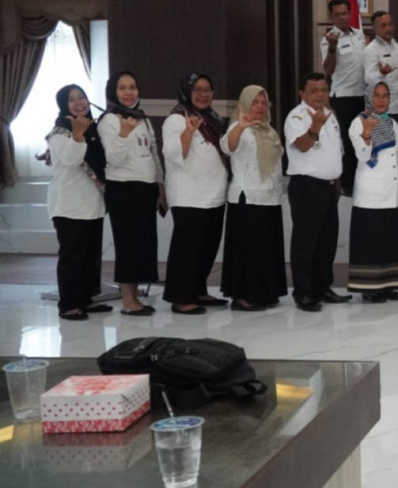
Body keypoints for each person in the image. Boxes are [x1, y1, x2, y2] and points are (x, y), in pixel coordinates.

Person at [45, 84, 115, 320]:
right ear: (63, 105)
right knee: (72, 256)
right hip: (69, 205)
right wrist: (77, 134)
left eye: (82, 97)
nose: (79, 103)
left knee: (89, 255)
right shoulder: (59, 133)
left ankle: (85, 298)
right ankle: (68, 304)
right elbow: (72, 160)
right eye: (72, 100)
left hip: (92, 204)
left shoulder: (93, 129)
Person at [284, 72, 353, 312]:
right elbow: (302, 146)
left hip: (328, 187)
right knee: (306, 243)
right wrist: (314, 128)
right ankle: (303, 293)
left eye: (324, 90)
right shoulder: (296, 117)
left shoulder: (330, 115)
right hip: (307, 187)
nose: (320, 95)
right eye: (314, 91)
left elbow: (335, 151)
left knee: (326, 242)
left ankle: (323, 287)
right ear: (302, 93)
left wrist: (337, 181)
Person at [161, 73, 229, 315]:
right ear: (187, 92)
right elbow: (173, 153)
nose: (203, 94)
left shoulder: (212, 118)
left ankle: (198, 290)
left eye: (208, 89)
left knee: (207, 247)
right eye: (197, 89)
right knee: (187, 249)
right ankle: (180, 297)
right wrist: (188, 132)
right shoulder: (177, 119)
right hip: (189, 195)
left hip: (214, 194)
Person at [98, 72, 164, 316]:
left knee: (143, 245)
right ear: (113, 92)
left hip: (145, 187)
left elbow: (153, 153)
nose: (128, 92)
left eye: (132, 87)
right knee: (128, 245)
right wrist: (124, 133)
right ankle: (128, 300)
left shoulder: (141, 117)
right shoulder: (109, 120)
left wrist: (160, 186)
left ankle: (135, 296)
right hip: (123, 189)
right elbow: (114, 158)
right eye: (122, 88)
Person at [220, 86, 288, 311]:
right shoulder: (237, 127)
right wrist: (240, 126)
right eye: (255, 102)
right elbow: (227, 147)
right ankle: (242, 295)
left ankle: (264, 292)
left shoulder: (269, 130)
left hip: (269, 199)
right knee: (247, 251)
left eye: (263, 102)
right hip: (247, 198)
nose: (259, 107)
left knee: (265, 250)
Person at [348, 82, 398, 302]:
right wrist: (366, 133)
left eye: (385, 96)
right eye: (377, 95)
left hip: (391, 191)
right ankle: (369, 288)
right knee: (370, 242)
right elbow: (363, 155)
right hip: (370, 191)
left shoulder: (393, 124)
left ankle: (388, 284)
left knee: (390, 240)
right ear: (370, 98)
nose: (381, 100)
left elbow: (397, 157)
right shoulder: (359, 121)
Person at [321, 0, 367, 195]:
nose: (342, 17)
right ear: (331, 16)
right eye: (337, 14)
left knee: (363, 139)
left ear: (350, 13)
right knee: (347, 142)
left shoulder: (360, 35)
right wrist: (332, 47)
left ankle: (361, 180)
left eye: (345, 13)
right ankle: (347, 184)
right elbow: (328, 69)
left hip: (363, 95)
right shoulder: (328, 39)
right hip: (344, 97)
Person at [362, 11, 398, 120]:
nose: (388, 28)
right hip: (381, 108)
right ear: (374, 28)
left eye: (390, 24)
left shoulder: (396, 45)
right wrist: (381, 73)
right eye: (383, 25)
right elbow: (368, 79)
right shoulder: (371, 49)